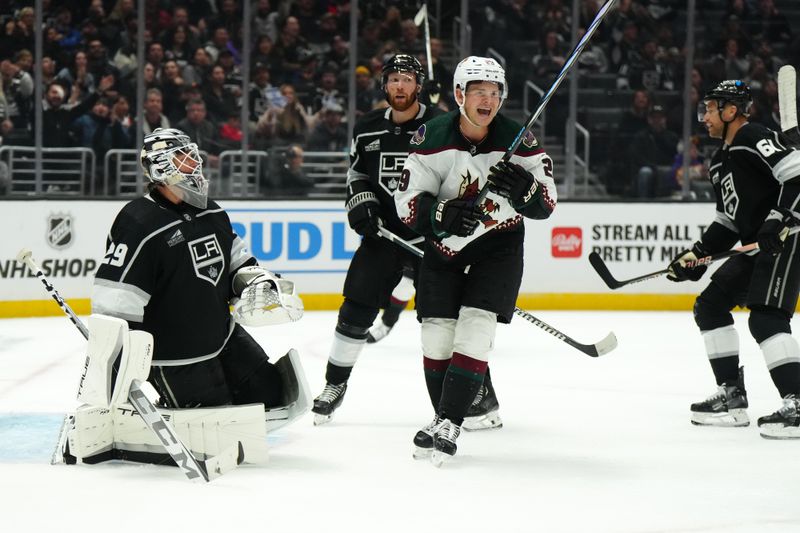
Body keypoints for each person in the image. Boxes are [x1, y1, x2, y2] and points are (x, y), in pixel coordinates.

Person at [62, 127, 310, 466]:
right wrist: (121, 364)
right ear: (161, 168)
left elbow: (238, 261)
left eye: (192, 155)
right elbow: (114, 302)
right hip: (173, 355)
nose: (195, 163)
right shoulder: (138, 222)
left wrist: (257, 284)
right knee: (218, 428)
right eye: (183, 157)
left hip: (222, 336)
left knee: (273, 396)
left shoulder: (211, 210)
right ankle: (127, 432)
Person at [311, 55, 505, 432]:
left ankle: (480, 394)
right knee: (355, 308)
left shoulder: (443, 125)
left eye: (407, 80)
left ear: (419, 85)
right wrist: (360, 201)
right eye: (394, 79)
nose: (400, 86)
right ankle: (335, 385)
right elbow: (357, 174)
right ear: (384, 85)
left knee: (445, 321)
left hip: (431, 238)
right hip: (383, 237)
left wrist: (448, 218)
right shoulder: (367, 127)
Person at [394, 56, 557, 465]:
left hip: (498, 247)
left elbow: (547, 203)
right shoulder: (431, 136)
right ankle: (442, 415)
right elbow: (406, 200)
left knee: (475, 328)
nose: (489, 99)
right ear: (458, 94)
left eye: (495, 92)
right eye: (480, 91)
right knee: (436, 335)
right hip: (444, 249)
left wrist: (525, 192)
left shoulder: (520, 139)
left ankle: (449, 421)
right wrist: (440, 214)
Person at [667, 80, 800, 439]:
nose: (704, 117)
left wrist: (780, 218)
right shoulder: (718, 161)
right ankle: (731, 395)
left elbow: (797, 176)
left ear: (730, 110)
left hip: (789, 238)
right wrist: (698, 254)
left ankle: (798, 402)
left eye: (709, 109)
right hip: (759, 244)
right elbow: (728, 221)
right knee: (710, 305)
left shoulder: (754, 136)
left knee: (767, 318)